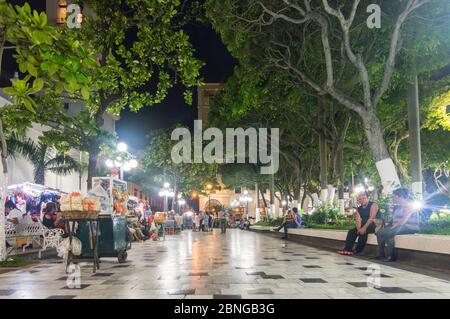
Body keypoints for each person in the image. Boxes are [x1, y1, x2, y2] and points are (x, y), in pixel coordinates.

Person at [376, 188, 420, 262]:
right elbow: (393, 219)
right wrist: (389, 211)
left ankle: (391, 256)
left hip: (409, 226)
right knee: (380, 232)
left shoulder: (409, 205)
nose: (393, 199)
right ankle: (381, 255)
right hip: (399, 226)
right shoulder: (398, 206)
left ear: (401, 196)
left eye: (394, 197)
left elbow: (403, 221)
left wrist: (392, 227)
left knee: (388, 233)